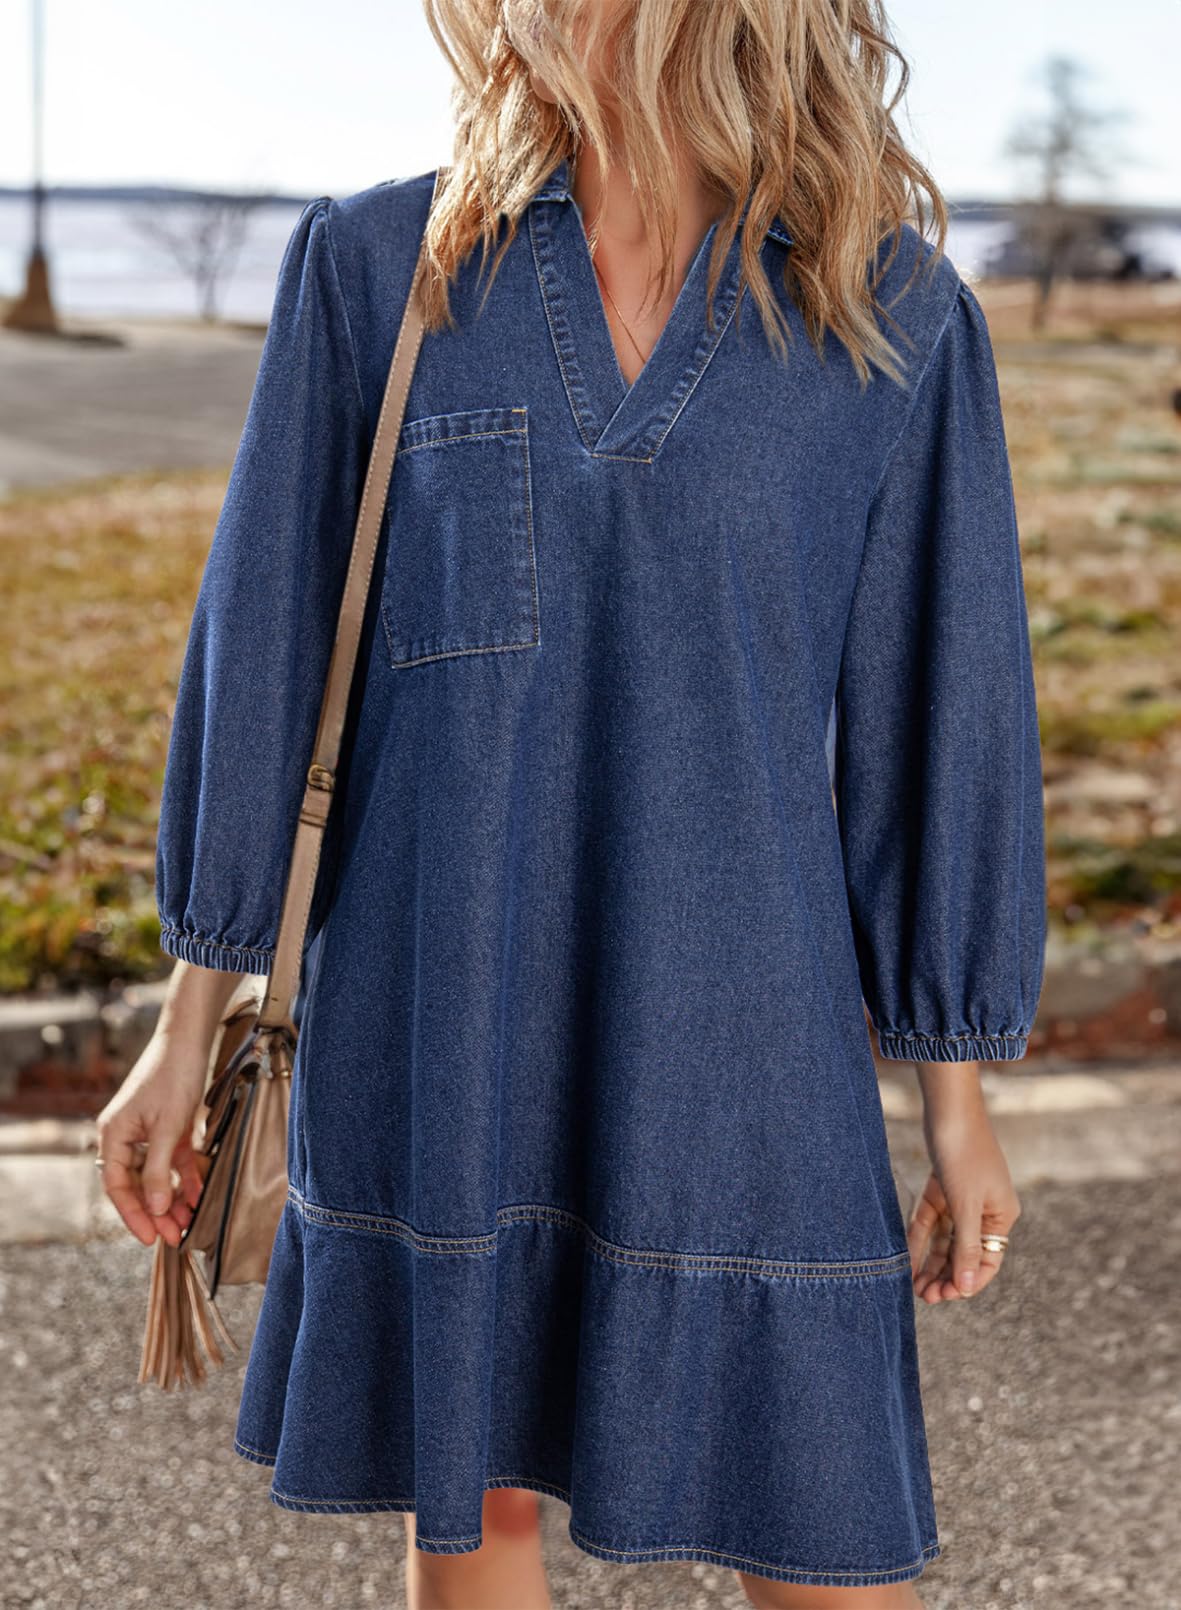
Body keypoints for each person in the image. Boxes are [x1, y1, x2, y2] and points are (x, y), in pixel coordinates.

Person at [95, 1, 1047, 1606]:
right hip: (441, 1009)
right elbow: (261, 660)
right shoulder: (380, 271)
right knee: (475, 1505)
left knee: (825, 1513)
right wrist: (185, 1029)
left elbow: (940, 718)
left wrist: (953, 1100)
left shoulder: (888, 316)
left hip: (745, 1044)